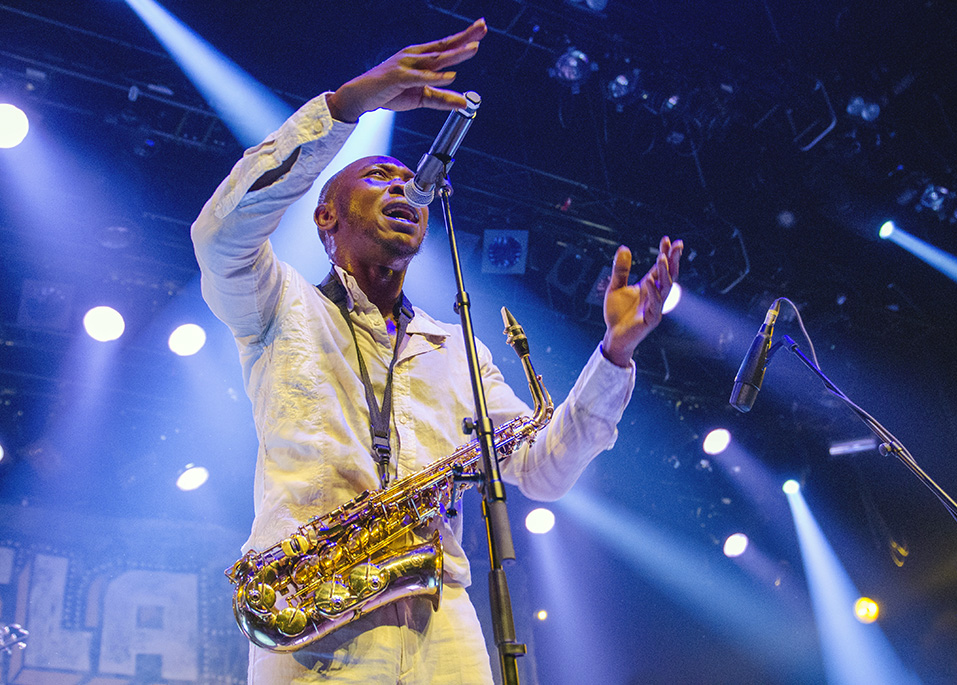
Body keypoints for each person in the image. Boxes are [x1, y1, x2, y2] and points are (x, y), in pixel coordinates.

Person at [192, 17, 682, 685]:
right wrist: (347, 106)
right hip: (311, 607)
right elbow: (219, 234)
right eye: (380, 178)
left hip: (440, 608)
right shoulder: (279, 303)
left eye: (410, 183)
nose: (405, 189)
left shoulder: (456, 346)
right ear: (325, 217)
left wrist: (615, 353)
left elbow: (542, 471)